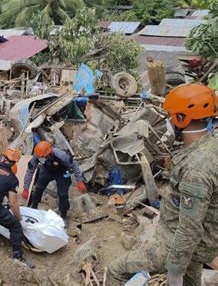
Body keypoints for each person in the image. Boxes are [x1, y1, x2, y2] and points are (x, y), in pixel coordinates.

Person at [107, 83, 217, 286]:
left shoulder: (196, 168)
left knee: (115, 270)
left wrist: (174, 270)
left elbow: (189, 227)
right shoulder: (211, 146)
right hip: (198, 247)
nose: (168, 122)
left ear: (181, 118)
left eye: (170, 117)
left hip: (177, 245)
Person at [23, 141, 86, 226]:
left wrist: (79, 181)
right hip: (46, 170)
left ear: (49, 153)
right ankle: (34, 207)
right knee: (38, 188)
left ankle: (63, 215)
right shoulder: (37, 156)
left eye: (43, 157)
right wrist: (26, 188)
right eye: (39, 157)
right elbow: (30, 170)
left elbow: (73, 165)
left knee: (62, 193)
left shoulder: (61, 155)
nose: (40, 158)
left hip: (62, 172)